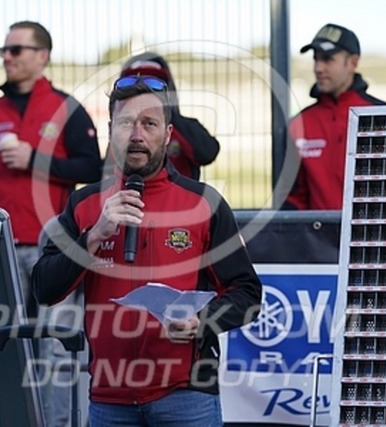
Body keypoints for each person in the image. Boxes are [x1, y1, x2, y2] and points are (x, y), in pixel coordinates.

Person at [32, 75, 262, 426]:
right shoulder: (84, 205)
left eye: (149, 124)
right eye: (126, 123)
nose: (137, 135)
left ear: (167, 134)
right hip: (109, 401)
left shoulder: (204, 203)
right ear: (111, 131)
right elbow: (44, 289)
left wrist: (201, 322)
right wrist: (93, 236)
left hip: (186, 397)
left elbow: (248, 294)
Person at [0, 21, 102, 317]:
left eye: (15, 50)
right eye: (3, 50)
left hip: (54, 245)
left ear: (42, 55)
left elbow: (92, 169)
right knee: (3, 331)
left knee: (55, 334)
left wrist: (35, 161)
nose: (6, 57)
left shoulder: (67, 109)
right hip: (2, 246)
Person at [282, 23, 386, 210]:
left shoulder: (384, 118)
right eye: (316, 59)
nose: (318, 68)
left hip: (374, 229)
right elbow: (294, 198)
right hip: (316, 230)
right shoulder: (299, 124)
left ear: (353, 63)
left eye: (327, 59)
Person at [105, 51, 220, 181]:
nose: (143, 89)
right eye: (135, 83)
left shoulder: (183, 128)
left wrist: (169, 113)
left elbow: (207, 154)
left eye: (154, 83)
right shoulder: (121, 132)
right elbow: (106, 173)